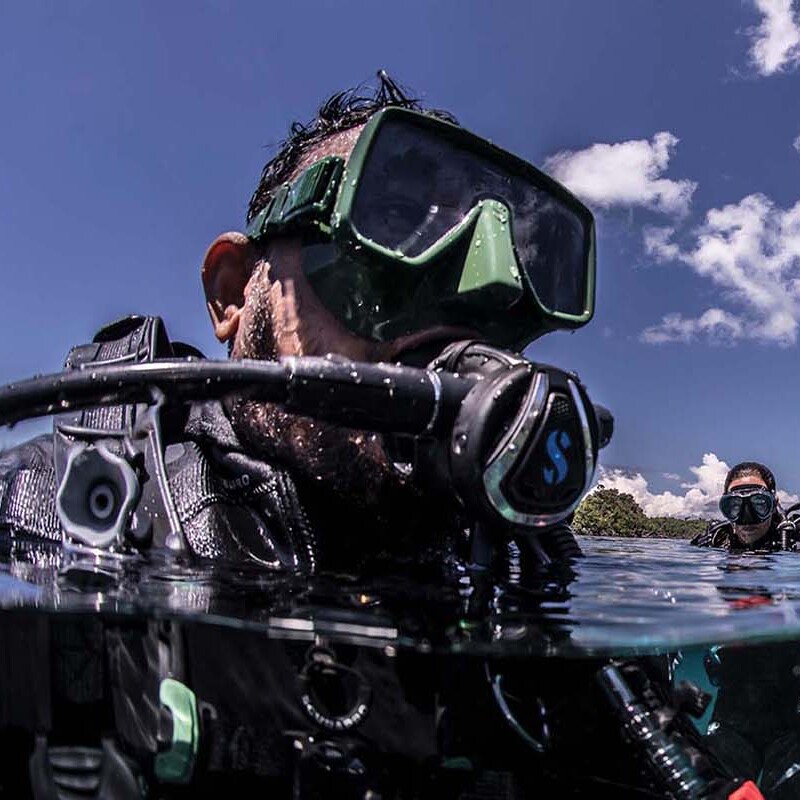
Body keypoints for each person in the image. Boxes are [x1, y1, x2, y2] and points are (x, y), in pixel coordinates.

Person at [0, 74, 759, 800]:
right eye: (394, 220)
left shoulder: (525, 569)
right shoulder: (39, 507)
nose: (459, 323)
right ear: (235, 293)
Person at [691, 462, 800, 551]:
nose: (747, 518)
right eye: (735, 505)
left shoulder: (793, 539)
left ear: (774, 505)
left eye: (759, 504)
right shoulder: (715, 541)